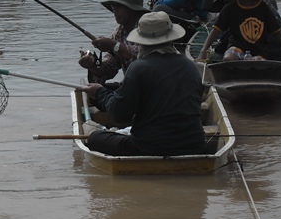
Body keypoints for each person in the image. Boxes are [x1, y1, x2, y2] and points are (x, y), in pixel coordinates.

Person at [80, 11, 206, 156]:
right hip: (196, 146)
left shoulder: (139, 67)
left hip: (149, 148)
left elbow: (120, 115)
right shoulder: (190, 66)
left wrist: (100, 93)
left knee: (95, 138)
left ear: (141, 41)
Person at [79, 0, 148, 85]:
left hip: (154, 85)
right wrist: (93, 65)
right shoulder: (118, 34)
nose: (115, 10)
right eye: (113, 6)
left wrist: (114, 46)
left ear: (132, 9)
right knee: (96, 91)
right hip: (135, 86)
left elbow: (145, 56)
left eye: (119, 6)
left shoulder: (149, 26)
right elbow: (108, 70)